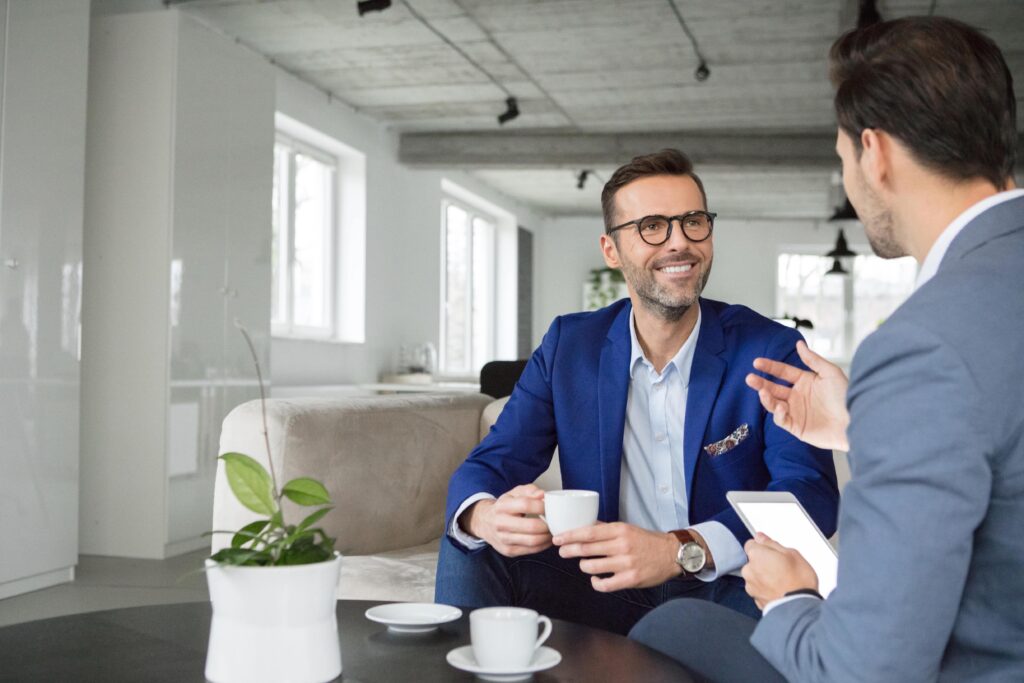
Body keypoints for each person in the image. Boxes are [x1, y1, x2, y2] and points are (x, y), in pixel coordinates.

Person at [629, 15, 1024, 682]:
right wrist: (867, 422)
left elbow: (867, 669)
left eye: (842, 158)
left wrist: (791, 599)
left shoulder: (920, 346)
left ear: (874, 152)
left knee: (668, 625)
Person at [434, 149, 840, 635]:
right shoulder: (570, 345)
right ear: (611, 250)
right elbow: (491, 462)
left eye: (693, 222)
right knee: (470, 543)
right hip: (599, 584)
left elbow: (809, 493)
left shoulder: (769, 348)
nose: (679, 243)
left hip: (725, 585)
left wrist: (680, 550)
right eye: (652, 226)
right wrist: (485, 517)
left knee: (771, 615)